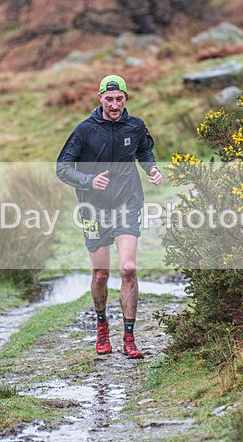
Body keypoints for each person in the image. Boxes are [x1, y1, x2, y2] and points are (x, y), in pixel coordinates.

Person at [56, 74, 163, 359]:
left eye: (119, 99)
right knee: (101, 274)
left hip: (127, 204)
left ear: (126, 98)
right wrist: (89, 180)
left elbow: (144, 151)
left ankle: (129, 337)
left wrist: (151, 169)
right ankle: (102, 328)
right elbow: (62, 168)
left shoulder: (136, 125)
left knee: (128, 269)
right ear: (100, 98)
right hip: (93, 209)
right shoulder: (84, 130)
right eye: (109, 99)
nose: (114, 104)